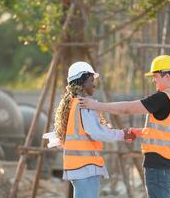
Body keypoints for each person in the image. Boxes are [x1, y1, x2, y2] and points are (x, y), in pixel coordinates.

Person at [78, 55, 170, 198]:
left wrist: (97, 105)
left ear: (167, 76)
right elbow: (168, 130)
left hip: (158, 167)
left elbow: (128, 109)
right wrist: (141, 132)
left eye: (155, 76)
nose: (153, 80)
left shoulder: (162, 97)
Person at [54, 61, 135, 198]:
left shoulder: (72, 104)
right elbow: (97, 132)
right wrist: (122, 134)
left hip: (79, 167)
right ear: (82, 82)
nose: (94, 84)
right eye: (91, 80)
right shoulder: (83, 105)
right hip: (85, 167)